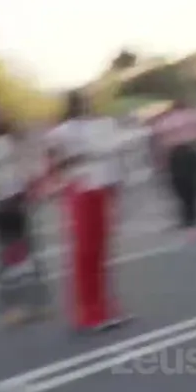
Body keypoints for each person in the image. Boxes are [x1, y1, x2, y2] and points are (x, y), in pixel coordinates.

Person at [46, 90, 132, 334]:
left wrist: (115, 183)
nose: (86, 105)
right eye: (81, 102)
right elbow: (54, 163)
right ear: (72, 105)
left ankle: (108, 307)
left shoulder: (100, 126)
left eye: (88, 101)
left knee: (102, 250)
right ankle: (88, 313)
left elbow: (114, 154)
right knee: (85, 252)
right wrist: (77, 158)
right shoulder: (61, 132)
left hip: (100, 186)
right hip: (79, 187)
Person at [0, 104, 50, 326]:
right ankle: (11, 308)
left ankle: (37, 302)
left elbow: (26, 163)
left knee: (29, 254)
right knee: (6, 260)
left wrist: (30, 189)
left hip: (17, 200)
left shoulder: (12, 137)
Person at [151, 97, 196, 234]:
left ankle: (187, 215)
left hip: (176, 154)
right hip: (193, 150)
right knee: (195, 183)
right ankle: (194, 213)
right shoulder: (193, 116)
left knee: (180, 185)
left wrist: (160, 161)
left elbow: (159, 140)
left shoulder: (165, 121)